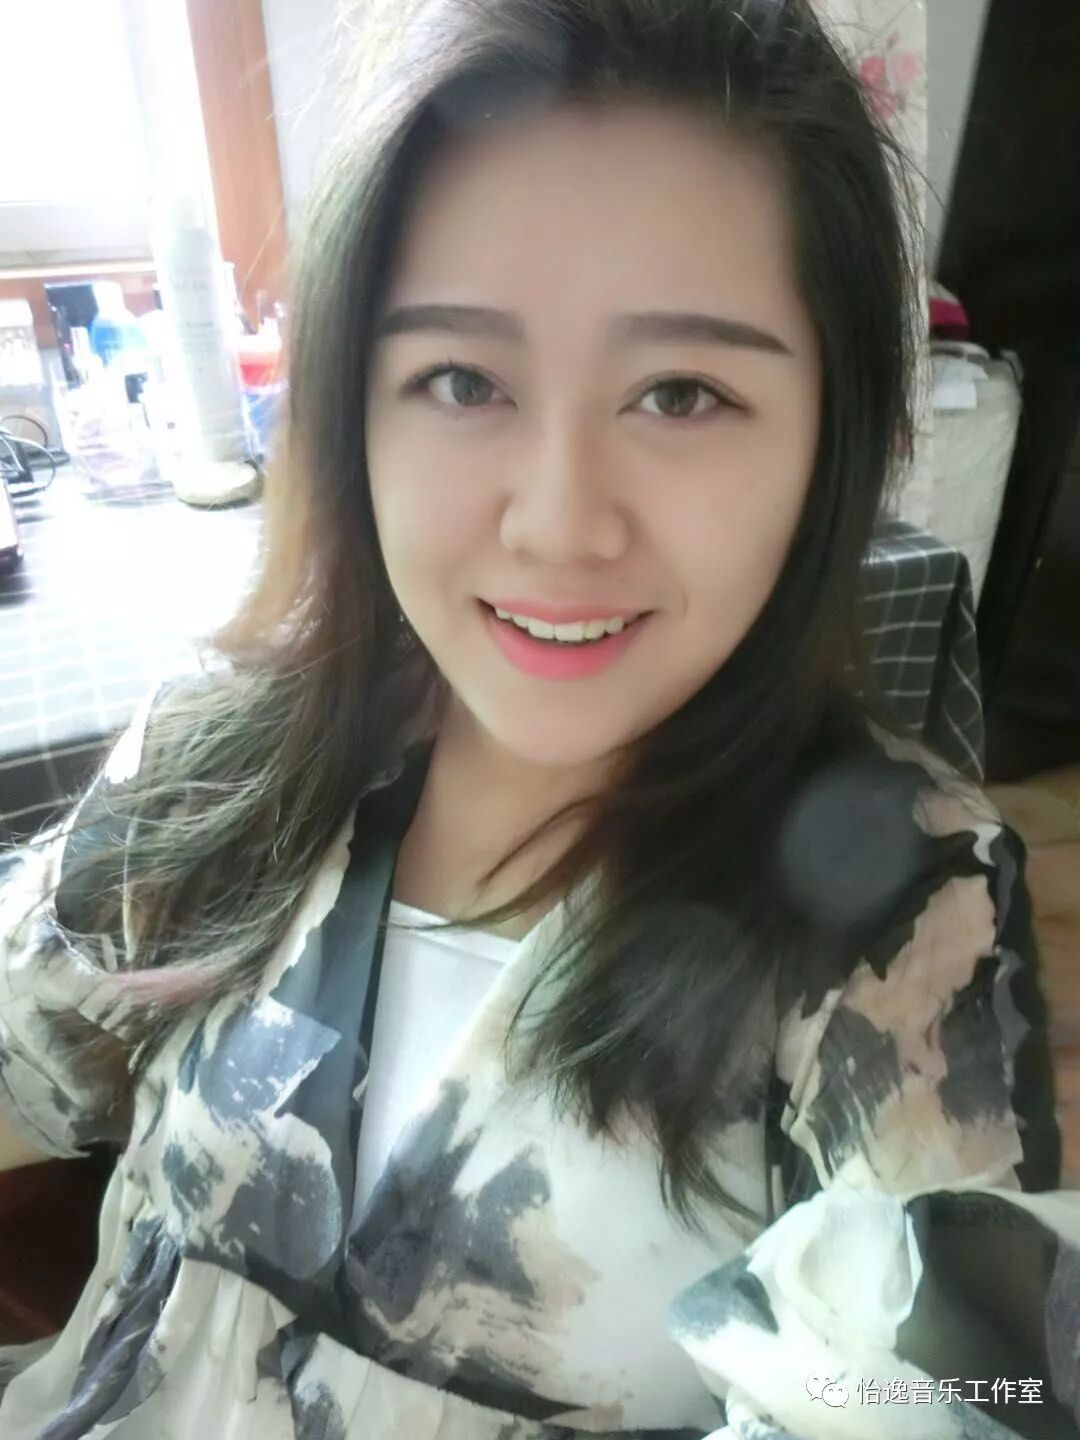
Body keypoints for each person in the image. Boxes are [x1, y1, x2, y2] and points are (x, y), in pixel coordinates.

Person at [0, 0, 1074, 1436]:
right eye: (463, 380)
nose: (560, 523)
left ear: (835, 438)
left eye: (681, 393)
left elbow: (946, 1390)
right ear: (352, 407)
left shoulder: (903, 904)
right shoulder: (213, 768)